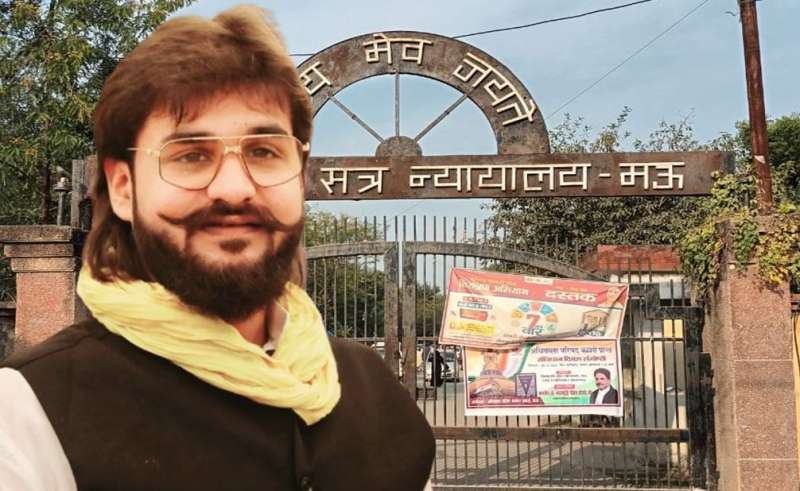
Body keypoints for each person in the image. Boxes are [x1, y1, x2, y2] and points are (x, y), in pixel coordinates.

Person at [0, 6, 434, 490]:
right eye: (190, 155)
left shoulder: (375, 393)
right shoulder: (30, 415)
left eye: (264, 152)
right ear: (123, 188)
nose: (234, 189)